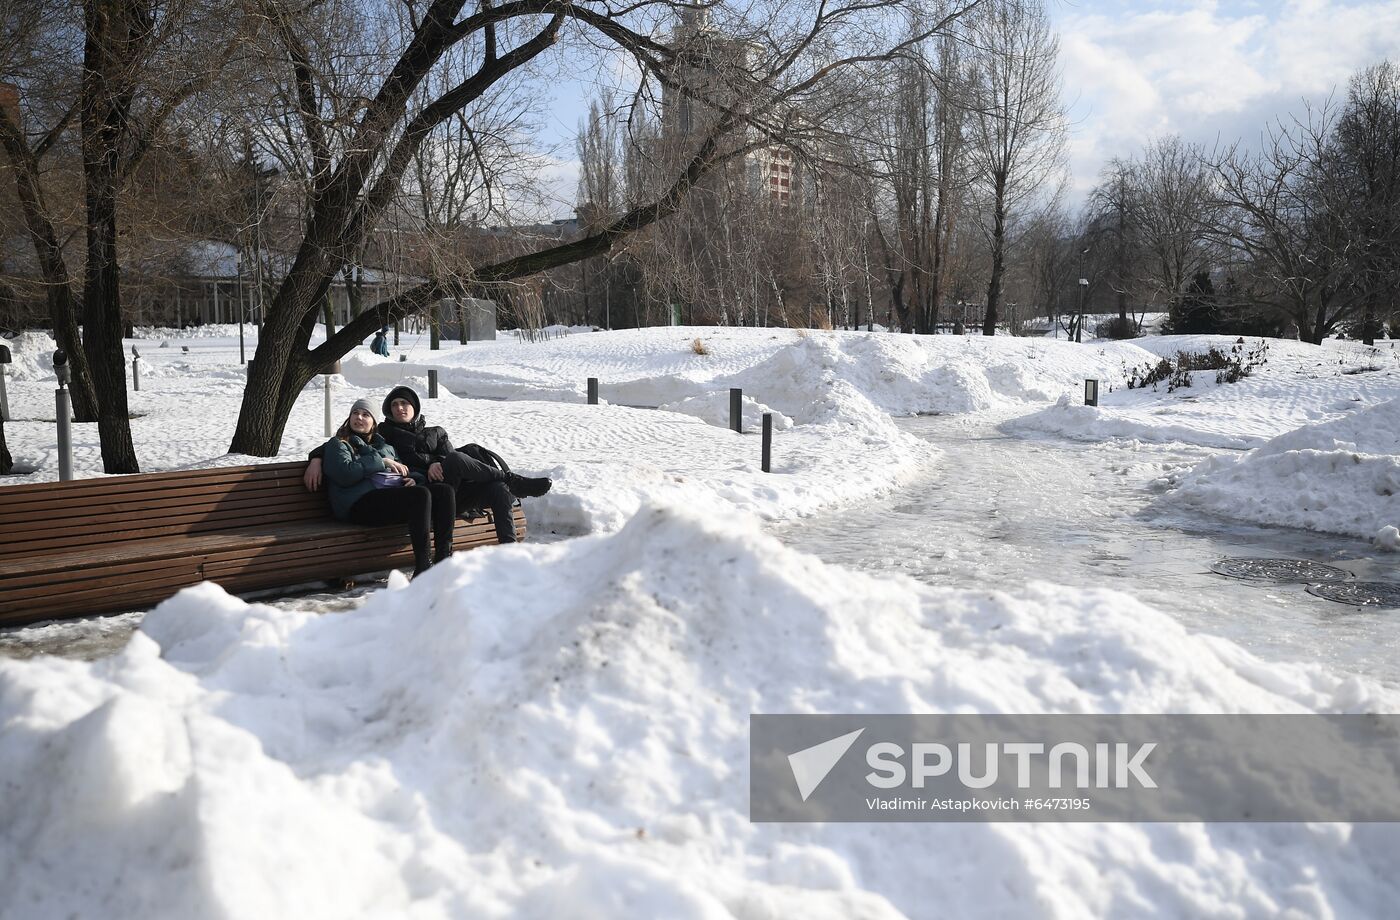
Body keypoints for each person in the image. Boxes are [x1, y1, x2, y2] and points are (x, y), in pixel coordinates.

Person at [305, 386, 551, 545]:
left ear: (415, 407)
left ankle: (510, 552)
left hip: (452, 489)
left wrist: (438, 462)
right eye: (394, 405)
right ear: (388, 413)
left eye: (405, 403)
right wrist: (315, 458)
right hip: (430, 496)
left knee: (495, 487)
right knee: (462, 464)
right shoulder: (386, 436)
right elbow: (341, 443)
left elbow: (454, 460)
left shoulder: (437, 432)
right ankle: (512, 480)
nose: (400, 408)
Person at [320, 398, 456, 577]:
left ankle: (444, 559)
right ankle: (424, 566)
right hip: (355, 504)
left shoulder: (385, 447)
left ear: (374, 422)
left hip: (385, 499)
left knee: (443, 491)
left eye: (365, 414)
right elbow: (345, 474)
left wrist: (413, 480)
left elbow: (405, 470)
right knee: (419, 496)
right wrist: (380, 461)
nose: (359, 417)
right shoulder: (339, 444)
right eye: (355, 413)